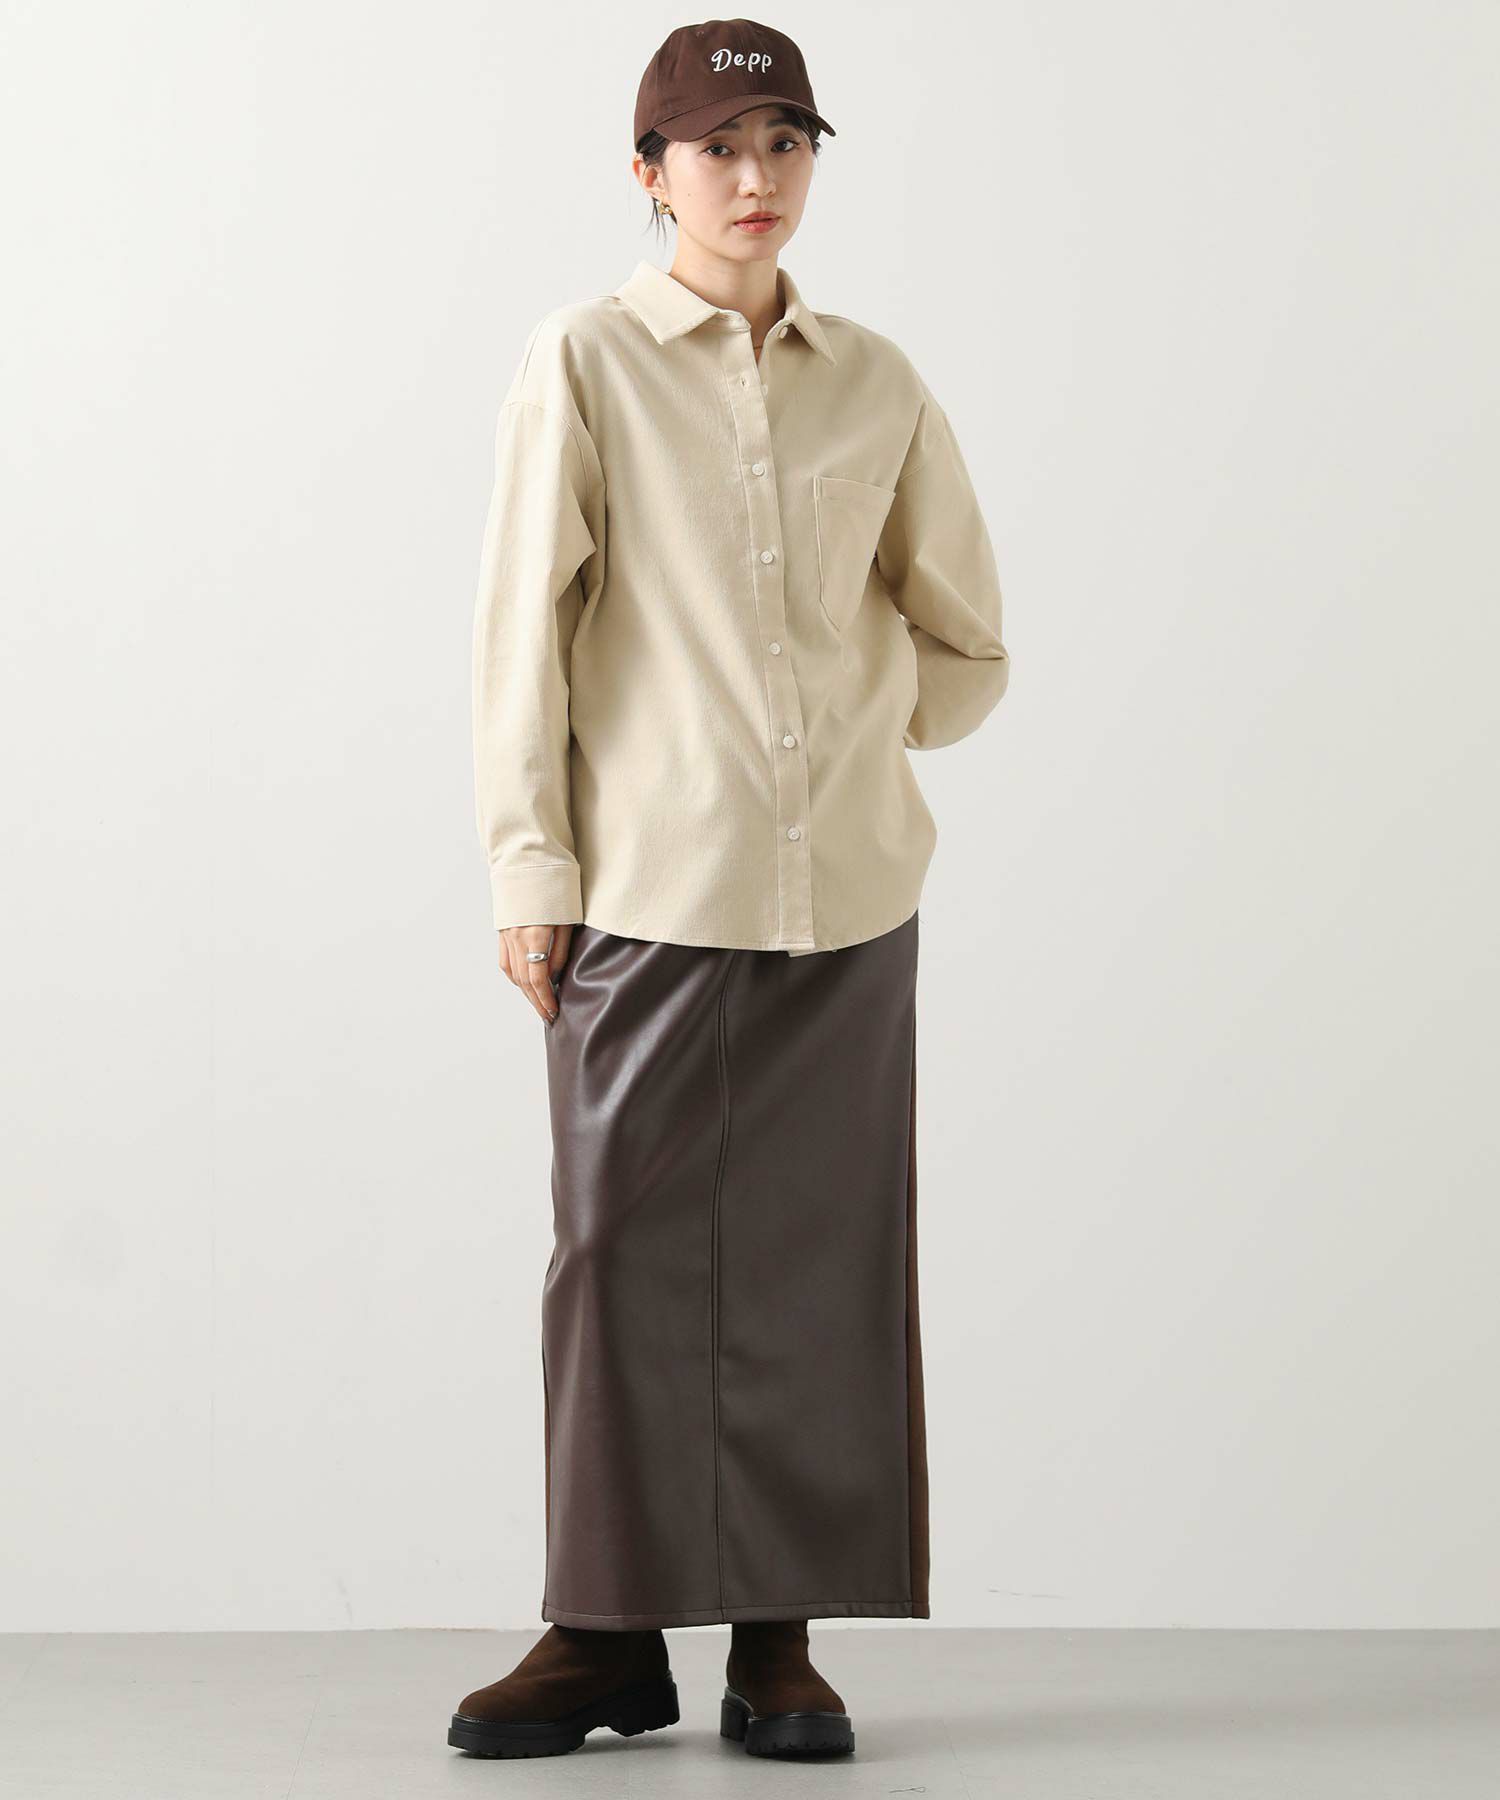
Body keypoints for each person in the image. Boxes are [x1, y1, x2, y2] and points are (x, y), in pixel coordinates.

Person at [450, 16, 1009, 1763]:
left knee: (820, 1264)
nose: (756, 178)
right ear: (650, 171)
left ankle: (781, 1642)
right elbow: (523, 633)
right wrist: (530, 864)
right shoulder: (584, 360)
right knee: (614, 1254)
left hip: (848, 898)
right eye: (717, 148)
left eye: (784, 143)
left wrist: (850, 727)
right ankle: (606, 1638)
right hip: (646, 888)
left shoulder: (878, 381)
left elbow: (967, 644)